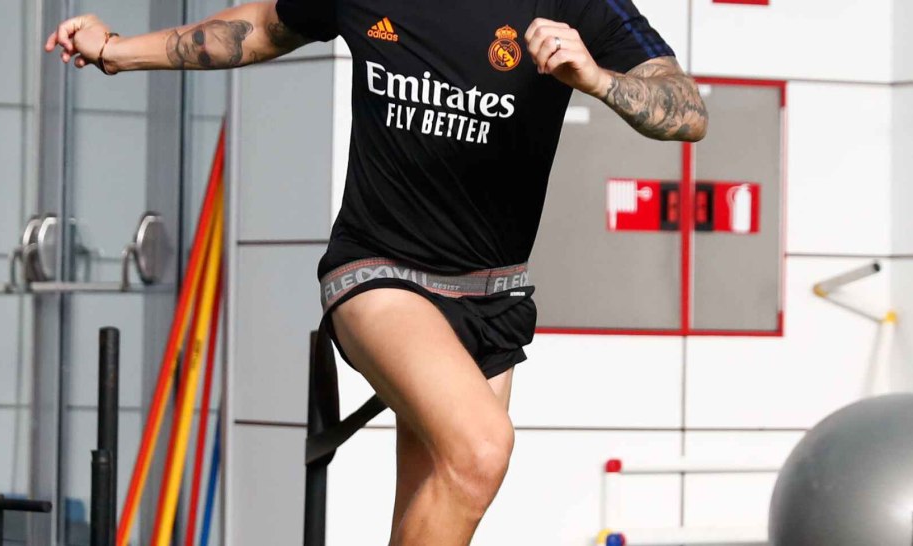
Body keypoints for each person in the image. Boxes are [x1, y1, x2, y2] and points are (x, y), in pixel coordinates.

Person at [46, 1, 707, 544]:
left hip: (492, 295)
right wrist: (116, 50)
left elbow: (687, 110)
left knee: (438, 499)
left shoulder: (575, 3)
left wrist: (596, 78)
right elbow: (259, 28)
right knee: (481, 450)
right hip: (379, 273)